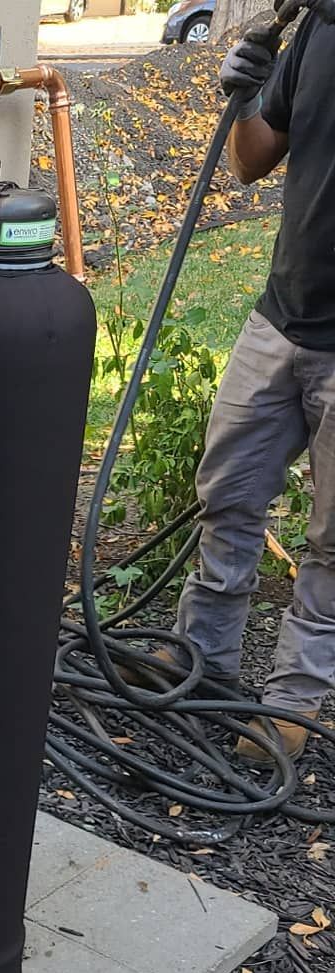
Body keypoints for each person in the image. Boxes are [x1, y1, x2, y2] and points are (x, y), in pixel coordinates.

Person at [175, 6, 335, 761]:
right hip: (282, 318)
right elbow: (250, 160)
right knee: (227, 499)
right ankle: (198, 667)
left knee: (332, 545)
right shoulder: (321, 30)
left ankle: (292, 708)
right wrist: (245, 95)